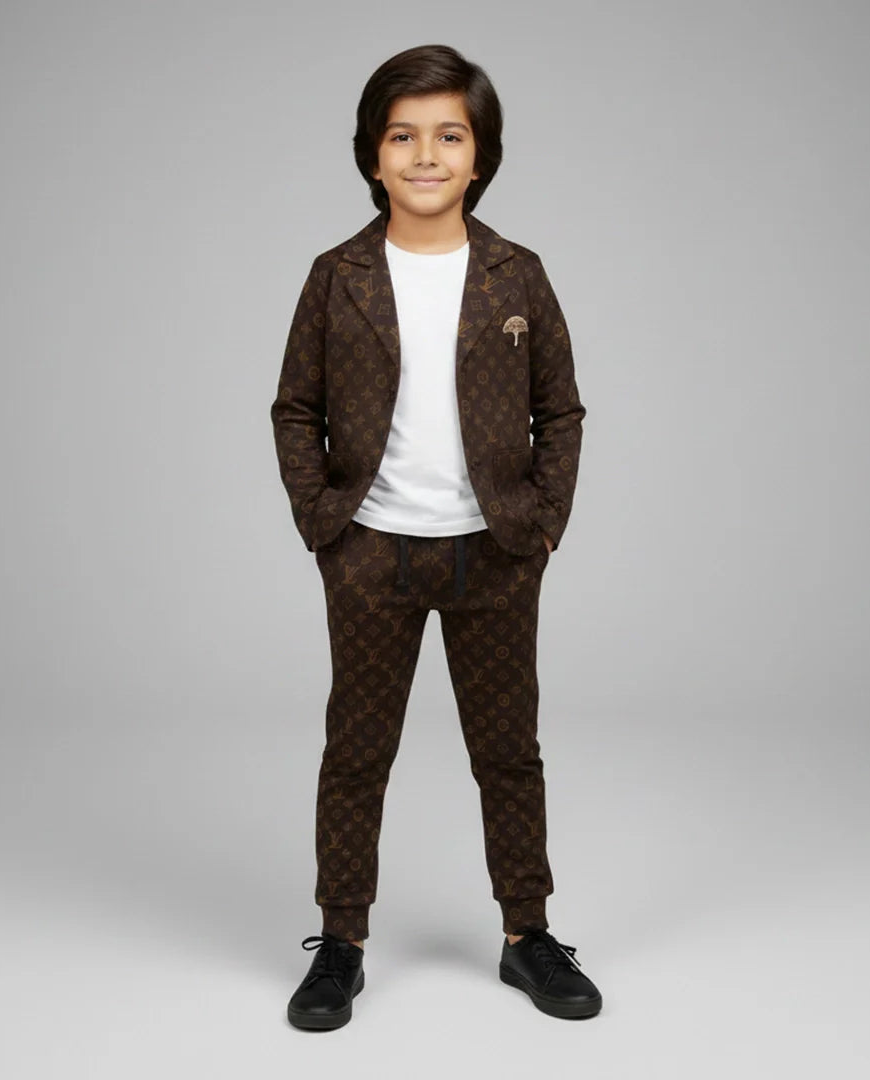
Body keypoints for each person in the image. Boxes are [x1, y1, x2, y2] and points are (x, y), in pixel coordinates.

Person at [272, 44, 600, 1029]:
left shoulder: (516, 275)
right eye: (402, 136)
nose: (425, 155)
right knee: (356, 749)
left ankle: (528, 934)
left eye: (448, 136)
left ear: (480, 154)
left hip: (494, 551)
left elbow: (561, 410)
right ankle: (340, 943)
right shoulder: (337, 277)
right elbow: (296, 408)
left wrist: (542, 523)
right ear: (372, 156)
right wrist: (322, 523)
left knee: (509, 750)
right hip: (370, 549)